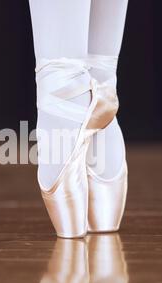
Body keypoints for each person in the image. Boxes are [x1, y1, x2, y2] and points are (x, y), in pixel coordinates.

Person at [29, 0, 129, 238]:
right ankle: (100, 114)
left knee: (62, 74)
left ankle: (65, 106)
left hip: (63, 134)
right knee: (101, 70)